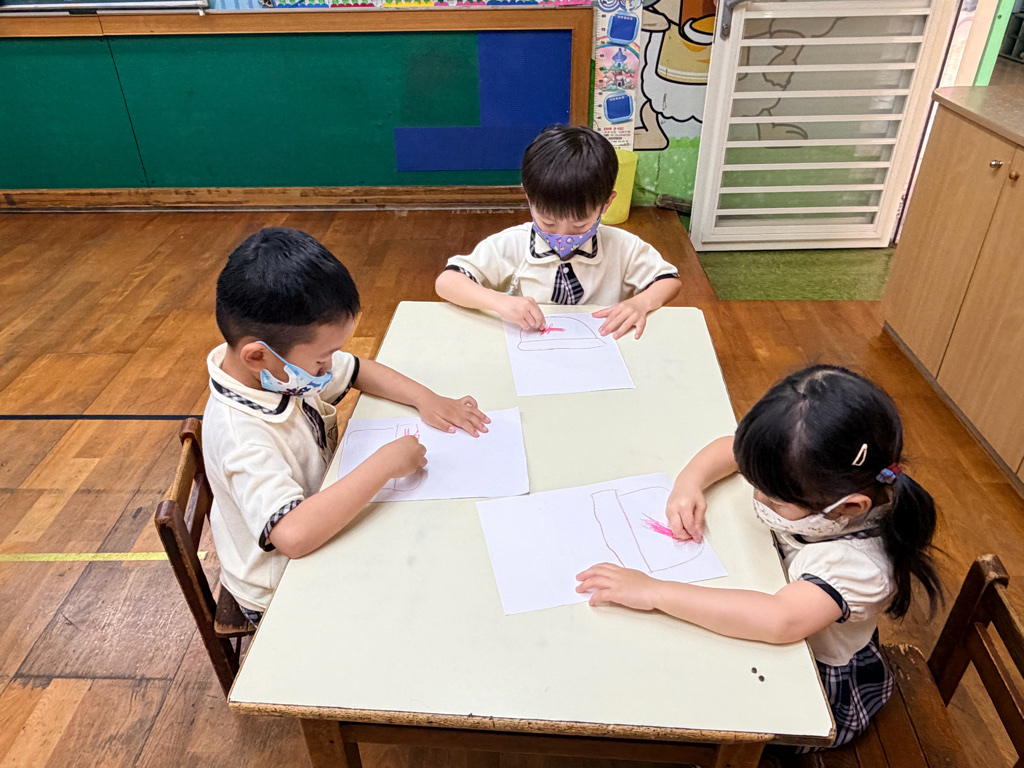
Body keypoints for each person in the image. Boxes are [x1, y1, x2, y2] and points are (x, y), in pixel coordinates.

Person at [576, 365, 941, 750]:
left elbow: (779, 620)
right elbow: (728, 448)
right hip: (772, 591)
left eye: (774, 500)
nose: (758, 500)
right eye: (755, 484)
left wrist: (654, 592)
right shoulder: (810, 469)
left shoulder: (858, 567)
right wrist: (688, 485)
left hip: (811, 683)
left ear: (848, 507)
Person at [205, 227, 490, 625]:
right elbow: (293, 536)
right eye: (322, 359)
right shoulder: (241, 435)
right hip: (279, 590)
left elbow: (358, 370)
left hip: (320, 515)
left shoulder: (278, 370)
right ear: (257, 356)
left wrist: (426, 398)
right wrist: (384, 465)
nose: (328, 368)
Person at [435, 125, 681, 340]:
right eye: (548, 223)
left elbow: (669, 281)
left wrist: (641, 302)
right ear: (530, 200)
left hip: (601, 348)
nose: (563, 236)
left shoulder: (622, 247)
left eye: (580, 225)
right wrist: (499, 302)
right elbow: (447, 282)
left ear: (606, 204)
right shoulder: (512, 244)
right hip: (531, 348)